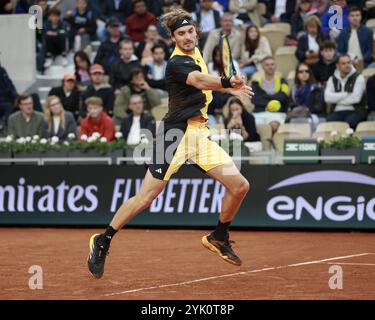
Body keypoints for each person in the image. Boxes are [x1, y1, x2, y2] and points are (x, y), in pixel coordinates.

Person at [87, 8, 253, 279]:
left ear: (195, 32)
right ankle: (103, 240)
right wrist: (226, 82)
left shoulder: (196, 52)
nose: (187, 37)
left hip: (199, 134)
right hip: (173, 135)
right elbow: (199, 80)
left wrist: (227, 87)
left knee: (240, 186)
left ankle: (219, 237)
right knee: (147, 197)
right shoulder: (176, 63)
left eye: (190, 32)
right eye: (181, 34)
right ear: (173, 38)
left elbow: (204, 85)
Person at [324, 54, 366, 129]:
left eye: (349, 62)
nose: (347, 65)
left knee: (351, 122)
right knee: (330, 121)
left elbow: (356, 99)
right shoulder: (332, 79)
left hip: (354, 110)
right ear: (337, 66)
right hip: (336, 111)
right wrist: (346, 94)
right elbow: (327, 98)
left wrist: (335, 99)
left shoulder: (359, 78)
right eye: (343, 63)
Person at [251, 56, 290, 133]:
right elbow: (255, 99)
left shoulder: (283, 81)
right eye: (267, 65)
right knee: (253, 127)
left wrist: (264, 97)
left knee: (274, 126)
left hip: (277, 114)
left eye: (272, 64)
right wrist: (275, 98)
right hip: (259, 113)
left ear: (275, 66)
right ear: (262, 67)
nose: (270, 67)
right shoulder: (255, 82)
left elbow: (283, 97)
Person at [0, 64, 18, 130]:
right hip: (3, 100)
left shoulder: (2, 70)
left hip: (9, 98)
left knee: (32, 98)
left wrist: (16, 96)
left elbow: (10, 84)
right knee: (8, 106)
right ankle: (8, 129)